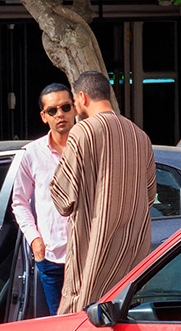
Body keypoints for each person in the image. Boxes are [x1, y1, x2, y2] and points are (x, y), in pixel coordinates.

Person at [50, 70, 156, 315]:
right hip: (132, 263)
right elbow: (150, 195)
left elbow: (62, 197)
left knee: (79, 323)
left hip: (92, 257)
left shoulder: (83, 132)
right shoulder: (140, 136)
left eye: (74, 102)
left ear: (83, 97)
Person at [10, 84, 76, 315]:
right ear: (43, 116)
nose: (60, 114)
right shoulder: (32, 154)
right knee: (59, 323)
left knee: (89, 324)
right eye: (52, 110)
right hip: (51, 256)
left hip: (87, 255)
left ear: (75, 109)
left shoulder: (89, 148)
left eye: (65, 107)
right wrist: (35, 240)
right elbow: (19, 202)